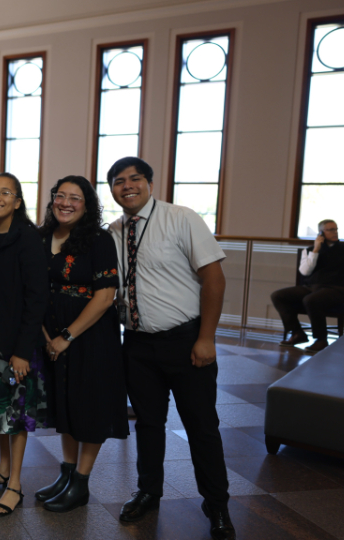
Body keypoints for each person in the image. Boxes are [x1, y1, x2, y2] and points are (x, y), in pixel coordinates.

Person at [106, 157, 235, 540]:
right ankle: (149, 490)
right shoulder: (114, 231)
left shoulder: (181, 218)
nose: (127, 186)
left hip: (186, 340)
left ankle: (217, 503)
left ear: (149, 183)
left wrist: (206, 337)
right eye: (118, 181)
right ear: (112, 189)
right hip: (138, 344)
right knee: (148, 423)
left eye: (135, 179)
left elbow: (214, 279)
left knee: (202, 426)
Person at [34, 175, 128, 513]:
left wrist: (66, 337)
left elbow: (105, 296)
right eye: (61, 196)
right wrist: (46, 334)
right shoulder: (42, 236)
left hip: (90, 337)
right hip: (52, 335)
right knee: (66, 404)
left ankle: (81, 483)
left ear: (87, 205)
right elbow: (33, 287)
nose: (66, 203)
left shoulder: (99, 240)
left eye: (75, 198)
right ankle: (67, 473)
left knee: (89, 407)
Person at [0, 173, 49, 517]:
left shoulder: (28, 238)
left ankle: (15, 484)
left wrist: (22, 351)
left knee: (16, 413)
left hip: (18, 342)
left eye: (5, 192)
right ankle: (3, 469)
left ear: (17, 202)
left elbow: (36, 299)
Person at [271, 219, 344, 353]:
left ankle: (321, 339)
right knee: (278, 296)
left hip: (336, 289)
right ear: (321, 233)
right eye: (330, 230)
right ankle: (297, 333)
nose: (335, 232)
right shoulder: (309, 250)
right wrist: (316, 250)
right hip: (311, 287)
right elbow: (305, 272)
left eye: (336, 229)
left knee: (311, 300)